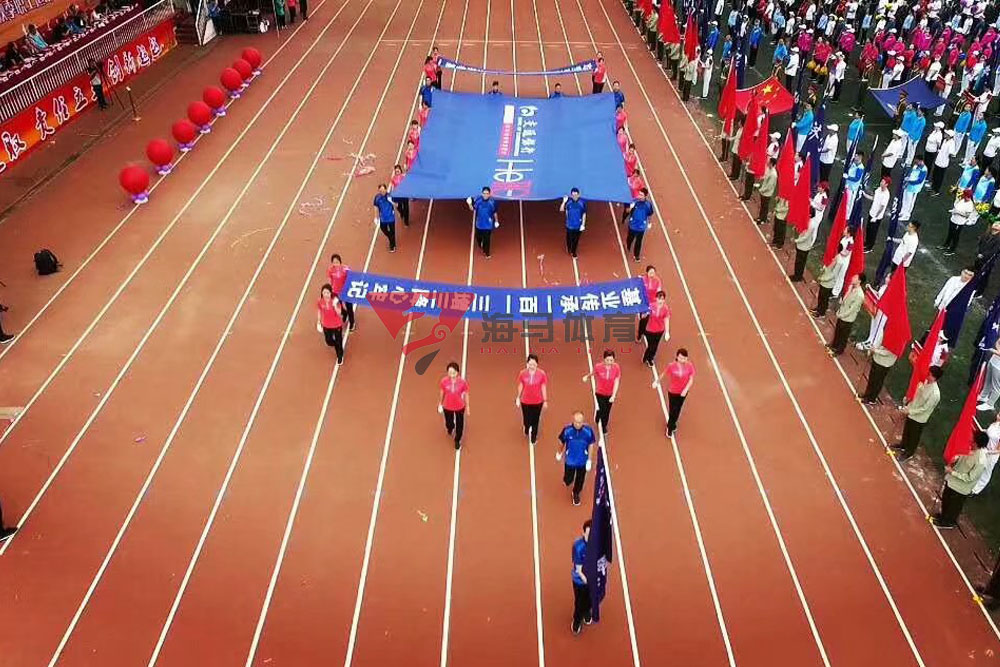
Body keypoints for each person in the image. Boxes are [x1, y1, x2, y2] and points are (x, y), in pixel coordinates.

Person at [931, 431, 989, 528]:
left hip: (961, 487)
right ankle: (943, 516)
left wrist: (952, 472)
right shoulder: (970, 449)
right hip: (952, 481)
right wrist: (957, 457)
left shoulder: (981, 461)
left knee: (953, 506)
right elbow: (962, 455)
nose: (971, 441)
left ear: (977, 443)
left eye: (973, 441)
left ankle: (948, 522)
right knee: (946, 499)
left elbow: (970, 478)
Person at [889, 366, 942, 462]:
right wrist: (909, 405)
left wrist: (910, 411)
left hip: (919, 418)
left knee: (914, 436)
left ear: (934, 377)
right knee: (907, 430)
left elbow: (925, 409)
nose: (927, 375)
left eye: (929, 374)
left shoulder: (935, 394)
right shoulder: (924, 382)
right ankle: (903, 445)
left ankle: (909, 453)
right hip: (912, 410)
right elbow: (916, 396)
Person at [557, 411, 597, 506]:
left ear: (583, 422)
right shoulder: (567, 431)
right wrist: (559, 452)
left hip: (582, 461)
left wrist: (589, 460)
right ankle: (568, 479)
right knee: (568, 480)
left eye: (580, 422)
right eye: (576, 422)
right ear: (573, 421)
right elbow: (561, 442)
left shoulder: (588, 432)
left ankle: (576, 493)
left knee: (580, 479)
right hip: (570, 461)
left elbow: (591, 445)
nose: (578, 424)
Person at [654, 348, 695, 437]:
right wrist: (657, 382)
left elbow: (691, 379)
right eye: (680, 358)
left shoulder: (690, 366)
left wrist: (685, 389)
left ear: (686, 358)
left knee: (678, 409)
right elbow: (664, 374)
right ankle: (670, 427)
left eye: (684, 358)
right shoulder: (671, 366)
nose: (682, 360)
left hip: (683, 392)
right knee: (673, 410)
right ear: (677, 357)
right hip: (673, 391)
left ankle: (672, 423)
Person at [789, 183, 826, 282]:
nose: (818, 188)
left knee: (800, 260)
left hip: (817, 218)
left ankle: (797, 276)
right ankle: (798, 275)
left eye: (820, 187)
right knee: (801, 260)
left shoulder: (824, 197)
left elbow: (821, 207)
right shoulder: (818, 194)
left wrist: (796, 240)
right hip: (813, 217)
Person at [583, 350, 620, 436]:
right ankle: (603, 426)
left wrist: (613, 395)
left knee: (607, 410)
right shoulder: (598, 367)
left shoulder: (616, 368)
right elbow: (593, 373)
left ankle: (599, 414)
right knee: (604, 410)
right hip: (600, 393)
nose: (609, 362)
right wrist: (587, 377)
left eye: (611, 360)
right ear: (604, 359)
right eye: (607, 360)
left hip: (610, 394)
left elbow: (617, 381)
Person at [827, 272, 866, 356]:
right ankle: (834, 345)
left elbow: (852, 310)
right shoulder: (851, 288)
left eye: (855, 277)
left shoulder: (859, 295)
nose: (852, 278)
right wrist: (848, 291)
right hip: (842, 313)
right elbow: (844, 301)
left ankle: (839, 350)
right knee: (838, 331)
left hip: (848, 318)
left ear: (859, 281)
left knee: (843, 335)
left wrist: (842, 315)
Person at [515, 354, 548, 445]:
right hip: (525, 401)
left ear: (537, 364)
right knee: (526, 419)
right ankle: (526, 427)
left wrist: (545, 400)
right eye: (530, 364)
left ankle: (533, 437)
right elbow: (521, 385)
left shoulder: (542, 374)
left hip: (538, 402)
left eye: (533, 364)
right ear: (527, 364)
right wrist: (518, 397)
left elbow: (543, 387)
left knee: (535, 420)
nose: (532, 366)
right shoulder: (522, 373)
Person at [438, 361, 469, 449]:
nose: (451, 374)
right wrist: (440, 403)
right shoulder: (444, 381)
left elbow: (466, 394)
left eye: (453, 372)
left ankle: (457, 440)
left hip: (459, 406)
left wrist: (467, 406)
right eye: (450, 372)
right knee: (449, 423)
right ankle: (450, 427)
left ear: (457, 372)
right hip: (447, 406)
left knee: (460, 425)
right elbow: (442, 392)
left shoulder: (462, 383)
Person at [571, 520, 593, 635]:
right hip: (580, 580)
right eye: (588, 534)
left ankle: (587, 611)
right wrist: (588, 581)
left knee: (591, 600)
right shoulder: (578, 547)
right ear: (583, 533)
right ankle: (577, 620)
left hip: (592, 579)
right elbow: (579, 570)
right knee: (579, 603)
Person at [623, 188, 654, 262]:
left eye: (641, 195)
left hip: (641, 227)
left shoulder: (648, 205)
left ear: (645, 196)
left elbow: (650, 214)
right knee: (630, 239)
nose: (639, 196)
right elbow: (627, 211)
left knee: (638, 242)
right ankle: (628, 246)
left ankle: (636, 256)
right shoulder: (634, 201)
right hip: (632, 225)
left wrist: (649, 223)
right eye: (639, 194)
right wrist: (630, 207)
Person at [316, 284, 345, 365]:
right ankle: (337, 345)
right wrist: (318, 321)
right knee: (328, 341)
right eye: (324, 292)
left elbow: (339, 313)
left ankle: (340, 356)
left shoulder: (335, 301)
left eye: (327, 293)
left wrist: (335, 305)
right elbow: (319, 311)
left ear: (330, 293)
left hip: (337, 325)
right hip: (326, 325)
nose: (326, 294)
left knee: (338, 341)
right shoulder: (320, 301)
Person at [326, 253, 355, 331]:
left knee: (349, 307)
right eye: (334, 262)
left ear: (340, 262)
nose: (336, 264)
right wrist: (330, 290)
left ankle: (352, 322)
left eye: (337, 262)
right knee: (340, 306)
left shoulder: (345, 269)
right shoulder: (330, 270)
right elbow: (330, 280)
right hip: (336, 292)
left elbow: (351, 278)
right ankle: (344, 315)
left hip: (346, 292)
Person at [942, 190, 976, 255]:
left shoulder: (970, 205)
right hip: (953, 219)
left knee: (955, 236)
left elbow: (967, 215)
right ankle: (946, 244)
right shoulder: (962, 200)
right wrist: (953, 211)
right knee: (950, 233)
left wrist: (958, 212)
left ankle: (952, 249)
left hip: (959, 222)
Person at [468, 187, 499, 258]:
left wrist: (496, 221)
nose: (485, 195)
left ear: (489, 194)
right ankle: (480, 244)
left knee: (487, 240)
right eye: (484, 193)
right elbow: (473, 209)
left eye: (487, 193)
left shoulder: (492, 202)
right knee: (478, 238)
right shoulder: (478, 201)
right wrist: (469, 204)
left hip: (488, 225)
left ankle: (487, 253)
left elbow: (494, 212)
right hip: (479, 224)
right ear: (482, 194)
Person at [862, 178, 891, 253]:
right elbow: (874, 198)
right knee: (868, 229)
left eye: (883, 182)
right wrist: (865, 195)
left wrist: (875, 217)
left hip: (877, 217)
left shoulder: (886, 195)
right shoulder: (878, 189)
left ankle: (869, 247)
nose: (881, 183)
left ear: (886, 184)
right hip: (871, 212)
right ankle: (866, 242)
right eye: (881, 181)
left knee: (873, 232)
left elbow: (882, 207)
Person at [642, 291, 670, 366]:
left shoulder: (665, 309)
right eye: (659, 298)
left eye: (662, 299)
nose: (660, 301)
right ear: (656, 298)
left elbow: (666, 319)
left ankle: (650, 358)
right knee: (650, 345)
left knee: (655, 346)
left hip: (659, 330)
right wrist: (646, 313)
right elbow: (643, 316)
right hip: (650, 330)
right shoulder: (651, 306)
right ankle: (646, 356)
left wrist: (667, 332)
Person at [637, 265, 661, 341]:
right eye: (650, 273)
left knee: (650, 319)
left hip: (652, 304)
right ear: (647, 273)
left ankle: (645, 331)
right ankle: (640, 334)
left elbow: (659, 291)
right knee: (643, 319)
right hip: (644, 303)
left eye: (653, 273)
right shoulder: (643, 280)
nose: (652, 274)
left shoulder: (657, 281)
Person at [561, 188, 586, 258]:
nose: (574, 196)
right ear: (571, 195)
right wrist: (564, 202)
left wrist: (583, 224)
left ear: (579, 195)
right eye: (573, 195)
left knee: (576, 240)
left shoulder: (582, 203)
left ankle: (574, 252)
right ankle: (569, 248)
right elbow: (562, 210)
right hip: (569, 225)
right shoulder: (568, 203)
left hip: (578, 226)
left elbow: (584, 214)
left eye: (576, 195)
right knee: (569, 239)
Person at [373, 184, 397, 252]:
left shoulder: (390, 196)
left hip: (391, 218)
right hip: (383, 219)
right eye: (381, 191)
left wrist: (391, 201)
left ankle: (392, 246)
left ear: (386, 189)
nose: (382, 192)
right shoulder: (377, 198)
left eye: (383, 190)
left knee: (392, 232)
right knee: (384, 230)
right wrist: (376, 217)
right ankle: (391, 238)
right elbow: (376, 207)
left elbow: (396, 205)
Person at [754, 158, 777, 224]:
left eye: (768, 162)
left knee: (765, 206)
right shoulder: (768, 169)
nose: (767, 163)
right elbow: (765, 176)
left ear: (771, 164)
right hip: (763, 191)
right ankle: (760, 217)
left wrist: (761, 190)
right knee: (762, 206)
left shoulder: (773, 174)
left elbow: (769, 186)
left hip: (767, 193)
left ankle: (763, 219)